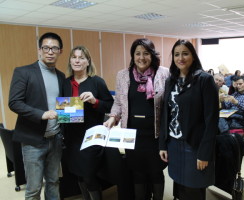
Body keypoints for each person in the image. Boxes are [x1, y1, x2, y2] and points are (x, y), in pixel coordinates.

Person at [104, 38, 169, 200]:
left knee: (156, 171)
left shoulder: (164, 73)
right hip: (132, 135)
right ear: (133, 56)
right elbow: (118, 103)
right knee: (137, 172)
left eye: (146, 53)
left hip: (155, 135)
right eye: (137, 53)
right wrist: (113, 118)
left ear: (152, 55)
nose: (141, 57)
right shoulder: (123, 75)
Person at [159, 40, 219, 200]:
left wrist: (204, 154)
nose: (181, 58)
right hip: (173, 143)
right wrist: (163, 144)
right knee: (179, 187)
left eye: (185, 53)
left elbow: (211, 120)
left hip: (194, 145)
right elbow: (166, 114)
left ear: (193, 56)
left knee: (194, 189)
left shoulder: (204, 80)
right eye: (177, 54)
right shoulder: (171, 80)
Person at [8, 32, 65, 200]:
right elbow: (14, 102)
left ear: (60, 51)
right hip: (32, 140)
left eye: (54, 48)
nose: (50, 52)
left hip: (55, 139)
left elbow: (63, 107)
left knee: (53, 182)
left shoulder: (61, 76)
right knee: (33, 188)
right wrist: (42, 114)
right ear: (39, 50)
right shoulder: (23, 72)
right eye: (46, 48)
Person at [62, 46, 114, 200]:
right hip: (72, 138)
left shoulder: (97, 82)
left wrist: (94, 101)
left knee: (89, 174)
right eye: (74, 57)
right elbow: (63, 111)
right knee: (78, 174)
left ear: (88, 62)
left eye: (82, 57)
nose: (77, 60)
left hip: (91, 137)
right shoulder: (65, 83)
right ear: (70, 60)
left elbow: (110, 105)